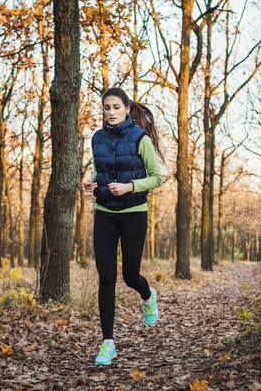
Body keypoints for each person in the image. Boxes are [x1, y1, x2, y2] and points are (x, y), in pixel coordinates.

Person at [83, 87, 165, 365]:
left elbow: (157, 177)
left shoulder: (140, 139)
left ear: (127, 108)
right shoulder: (97, 138)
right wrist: (91, 182)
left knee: (130, 276)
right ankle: (108, 343)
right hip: (104, 212)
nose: (111, 112)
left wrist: (130, 186)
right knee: (106, 277)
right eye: (107, 108)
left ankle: (147, 294)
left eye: (116, 107)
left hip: (133, 214)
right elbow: (100, 170)